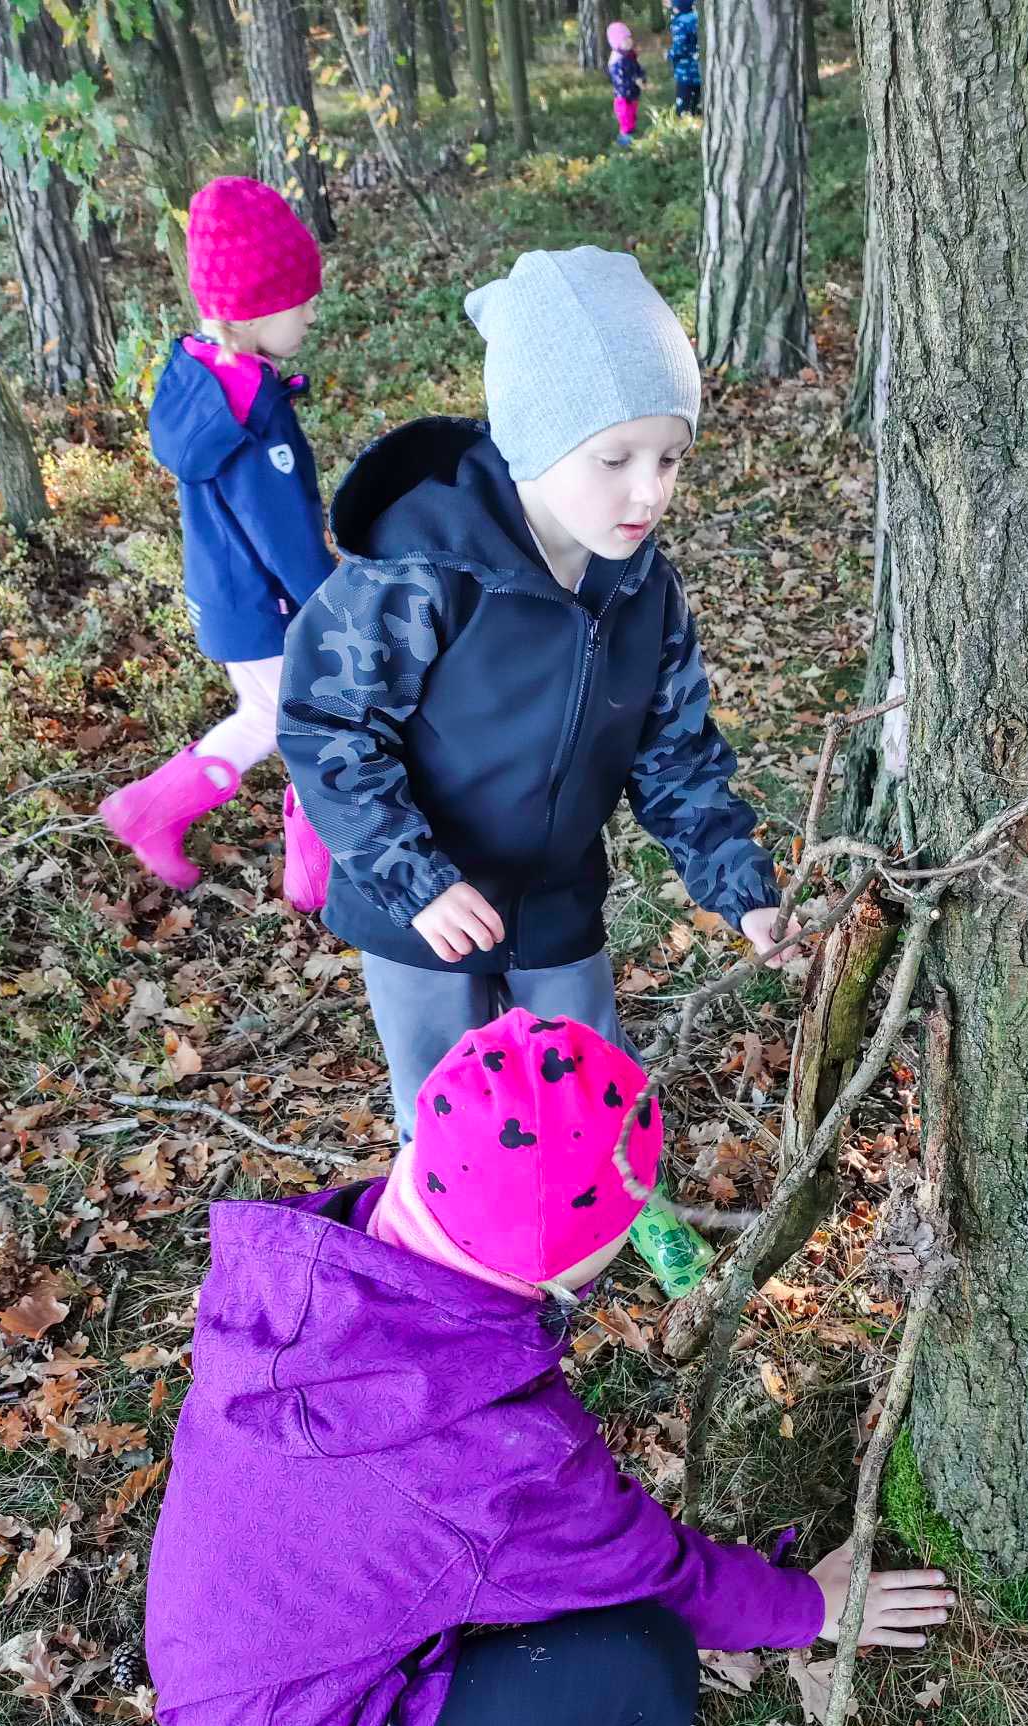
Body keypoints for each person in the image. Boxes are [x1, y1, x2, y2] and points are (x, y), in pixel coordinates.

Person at [144, 1009, 955, 1726]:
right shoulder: (496, 1455)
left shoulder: (312, 1272)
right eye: (624, 1230)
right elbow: (654, 1572)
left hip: (225, 1649)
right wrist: (808, 1605)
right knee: (641, 1677)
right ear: (568, 1266)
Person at [277, 245, 798, 1291]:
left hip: (555, 886)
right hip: (418, 900)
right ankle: (459, 1263)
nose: (647, 490)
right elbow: (326, 726)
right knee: (442, 1094)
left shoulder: (643, 589)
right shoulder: (422, 573)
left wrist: (741, 890)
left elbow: (677, 752)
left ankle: (615, 1211)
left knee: (588, 1069)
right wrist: (416, 879)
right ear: (532, 441)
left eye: (670, 457)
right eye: (614, 457)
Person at [99, 177, 331, 894]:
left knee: (272, 716)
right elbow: (283, 533)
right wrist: (332, 602)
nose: (314, 313)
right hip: (267, 607)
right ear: (259, 308)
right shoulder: (253, 414)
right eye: (304, 300)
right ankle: (313, 879)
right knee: (320, 728)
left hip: (226, 594)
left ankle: (153, 811)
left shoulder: (203, 376)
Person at [607, 20, 645, 147]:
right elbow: (621, 81)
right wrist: (635, 80)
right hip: (623, 97)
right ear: (617, 43)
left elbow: (637, 69)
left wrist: (641, 77)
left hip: (633, 94)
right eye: (625, 39)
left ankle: (631, 136)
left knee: (632, 116)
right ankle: (624, 142)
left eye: (629, 38)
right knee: (626, 118)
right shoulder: (617, 61)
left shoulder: (630, 55)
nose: (629, 41)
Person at [668, 0, 700, 117]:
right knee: (696, 98)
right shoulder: (697, 18)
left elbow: (680, 47)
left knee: (684, 101)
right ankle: (696, 116)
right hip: (698, 69)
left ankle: (684, 123)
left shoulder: (679, 22)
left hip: (685, 71)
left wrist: (669, 54)